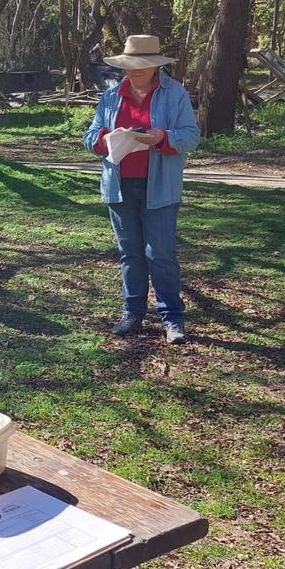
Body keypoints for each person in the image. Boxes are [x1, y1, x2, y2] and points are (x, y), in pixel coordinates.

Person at [83, 35, 200, 344]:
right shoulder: (112, 96)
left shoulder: (174, 94)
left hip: (159, 185)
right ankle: (133, 312)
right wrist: (107, 139)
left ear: (155, 66)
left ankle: (172, 318)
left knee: (160, 252)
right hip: (119, 186)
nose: (135, 71)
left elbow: (190, 136)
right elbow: (91, 135)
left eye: (143, 65)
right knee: (130, 253)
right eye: (130, 65)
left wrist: (162, 137)